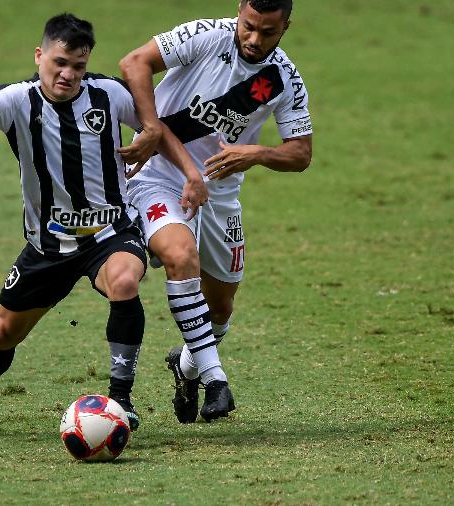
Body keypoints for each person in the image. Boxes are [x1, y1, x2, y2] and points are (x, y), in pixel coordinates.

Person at [0, 13, 208, 439]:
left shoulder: (109, 95)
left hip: (109, 233)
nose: (68, 74)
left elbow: (157, 127)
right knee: (4, 332)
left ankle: (121, 400)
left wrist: (186, 171)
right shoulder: (17, 100)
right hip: (48, 246)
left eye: (78, 66)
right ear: (39, 56)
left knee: (125, 281)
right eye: (59, 63)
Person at [118, 0, 313, 423]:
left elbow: (301, 154)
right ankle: (215, 379)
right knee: (180, 255)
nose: (254, 39)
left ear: (286, 28)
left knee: (221, 307)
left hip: (220, 193)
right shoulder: (205, 35)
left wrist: (257, 152)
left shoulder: (283, 78)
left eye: (268, 32)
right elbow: (134, 63)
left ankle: (186, 365)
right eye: (249, 27)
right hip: (158, 175)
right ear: (239, 11)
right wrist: (152, 127)